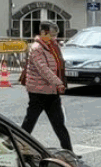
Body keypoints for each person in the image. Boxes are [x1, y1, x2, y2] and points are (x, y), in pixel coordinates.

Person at [21, 21, 75, 154]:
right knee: (30, 121)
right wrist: (58, 82)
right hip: (38, 91)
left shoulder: (52, 46)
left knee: (59, 123)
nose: (54, 38)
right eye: (52, 34)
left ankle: (69, 152)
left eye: (55, 35)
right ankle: (17, 145)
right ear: (43, 33)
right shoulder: (36, 48)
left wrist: (57, 83)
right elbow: (43, 69)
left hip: (51, 91)